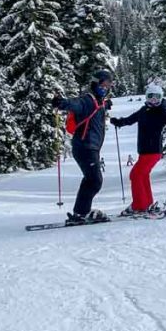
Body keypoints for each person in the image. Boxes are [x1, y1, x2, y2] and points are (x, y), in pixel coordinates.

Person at [110, 83, 166, 214]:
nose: (154, 100)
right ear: (146, 97)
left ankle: (139, 206)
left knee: (135, 175)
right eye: (151, 97)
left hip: (153, 151)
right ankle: (147, 203)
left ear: (161, 98)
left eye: (157, 98)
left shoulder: (162, 112)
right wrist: (119, 122)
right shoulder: (143, 111)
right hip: (144, 151)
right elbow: (130, 119)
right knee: (142, 175)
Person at [53, 69, 114, 225]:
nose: (106, 88)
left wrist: (106, 105)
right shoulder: (87, 100)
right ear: (95, 83)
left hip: (89, 147)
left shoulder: (98, 101)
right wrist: (61, 103)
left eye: (108, 85)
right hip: (85, 147)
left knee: (90, 179)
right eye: (103, 84)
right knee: (95, 181)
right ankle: (81, 213)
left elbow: (98, 106)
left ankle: (80, 213)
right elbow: (76, 104)